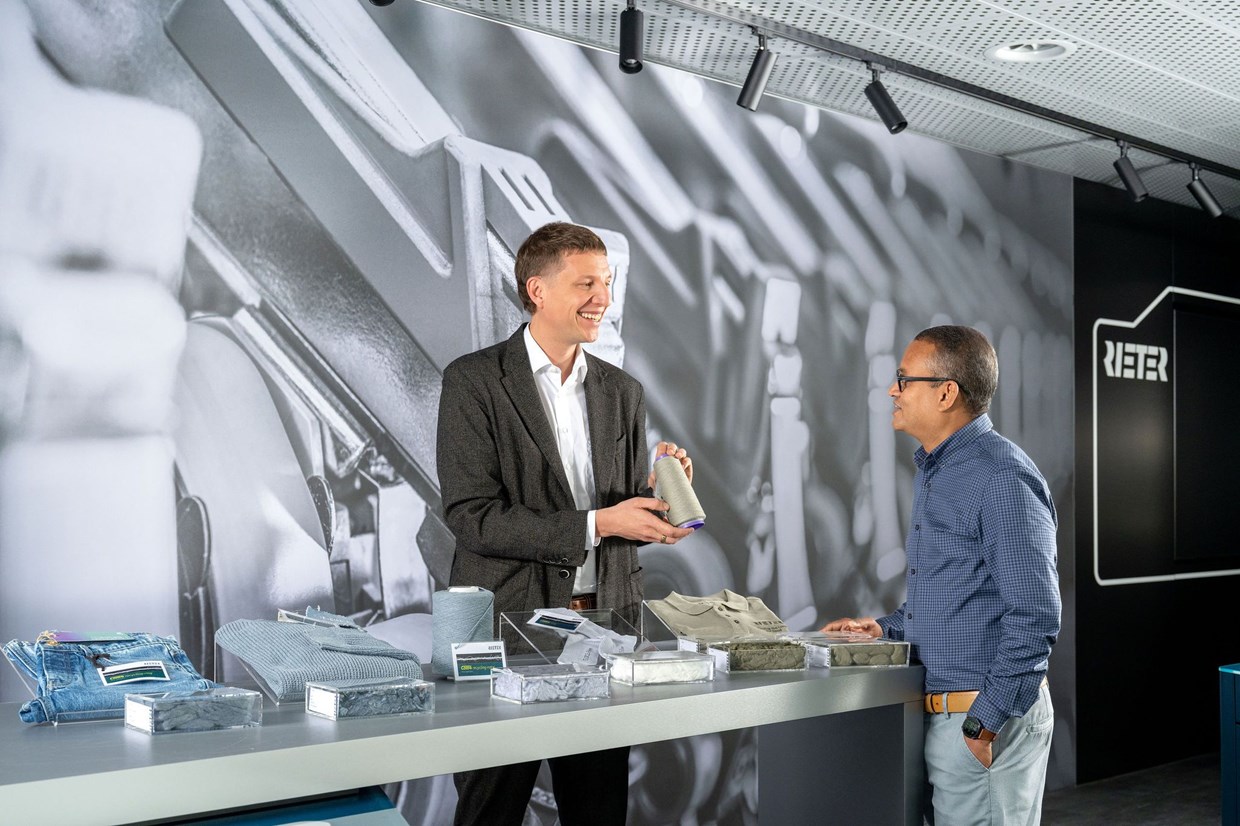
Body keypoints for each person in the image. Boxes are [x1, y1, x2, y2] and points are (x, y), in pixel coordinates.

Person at [436, 221, 696, 826]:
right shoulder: (474, 381)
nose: (603, 297)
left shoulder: (622, 391)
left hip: (605, 628)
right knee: (490, 811)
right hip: (505, 630)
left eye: (606, 282)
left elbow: (617, 515)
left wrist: (658, 498)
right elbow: (472, 518)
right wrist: (599, 522)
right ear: (538, 290)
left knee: (598, 810)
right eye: (586, 283)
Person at [823, 325, 1060, 826]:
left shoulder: (1001, 477)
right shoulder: (940, 471)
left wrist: (982, 725)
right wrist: (884, 629)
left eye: (904, 378)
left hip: (980, 724)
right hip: (950, 721)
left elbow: (1036, 615)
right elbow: (955, 598)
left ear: (946, 393)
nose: (893, 390)